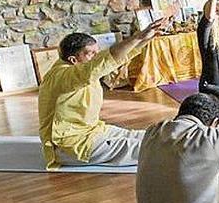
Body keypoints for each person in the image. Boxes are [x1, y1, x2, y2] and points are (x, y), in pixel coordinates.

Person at [38, 18, 170, 170]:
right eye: (90, 54)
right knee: (146, 148)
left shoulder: (78, 69)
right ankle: (194, 151)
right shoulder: (63, 75)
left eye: (97, 52)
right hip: (71, 145)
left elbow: (118, 58)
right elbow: (103, 62)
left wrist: (148, 37)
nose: (96, 57)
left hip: (92, 130)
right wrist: (139, 36)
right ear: (73, 59)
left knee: (146, 136)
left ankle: (184, 141)